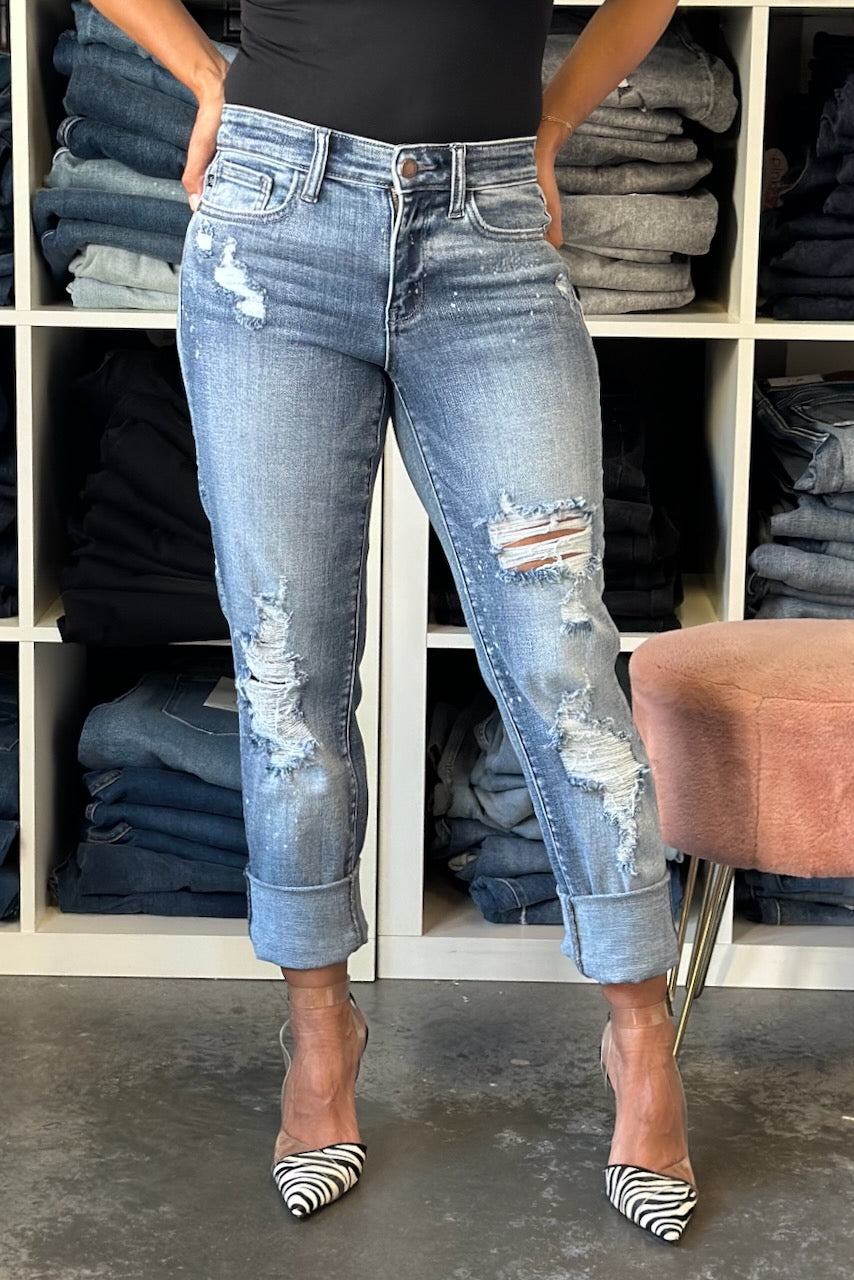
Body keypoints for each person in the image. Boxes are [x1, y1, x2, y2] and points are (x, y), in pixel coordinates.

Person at [89, 0, 696, 1243]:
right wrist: (202, 73)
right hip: (273, 224)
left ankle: (640, 1034)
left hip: (488, 233)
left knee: (563, 655)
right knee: (287, 671)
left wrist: (552, 124)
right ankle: (319, 1024)